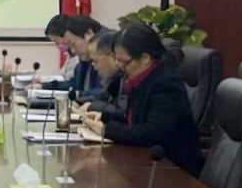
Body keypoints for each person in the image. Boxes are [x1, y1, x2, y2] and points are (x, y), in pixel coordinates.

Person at [82, 22, 204, 178]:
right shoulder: (142, 78)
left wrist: (107, 130)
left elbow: (151, 133)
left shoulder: (166, 84)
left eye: (124, 62)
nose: (120, 66)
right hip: (147, 163)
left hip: (174, 171)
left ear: (145, 58)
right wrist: (103, 118)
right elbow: (136, 120)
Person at [77, 31, 126, 118]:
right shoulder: (115, 81)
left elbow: (122, 114)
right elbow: (101, 96)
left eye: (95, 61)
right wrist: (77, 101)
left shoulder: (127, 80)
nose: (94, 67)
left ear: (113, 57)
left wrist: (92, 106)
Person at [44, 14, 79, 81]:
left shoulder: (79, 55)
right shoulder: (70, 54)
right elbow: (63, 76)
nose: (57, 45)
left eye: (56, 41)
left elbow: (69, 80)